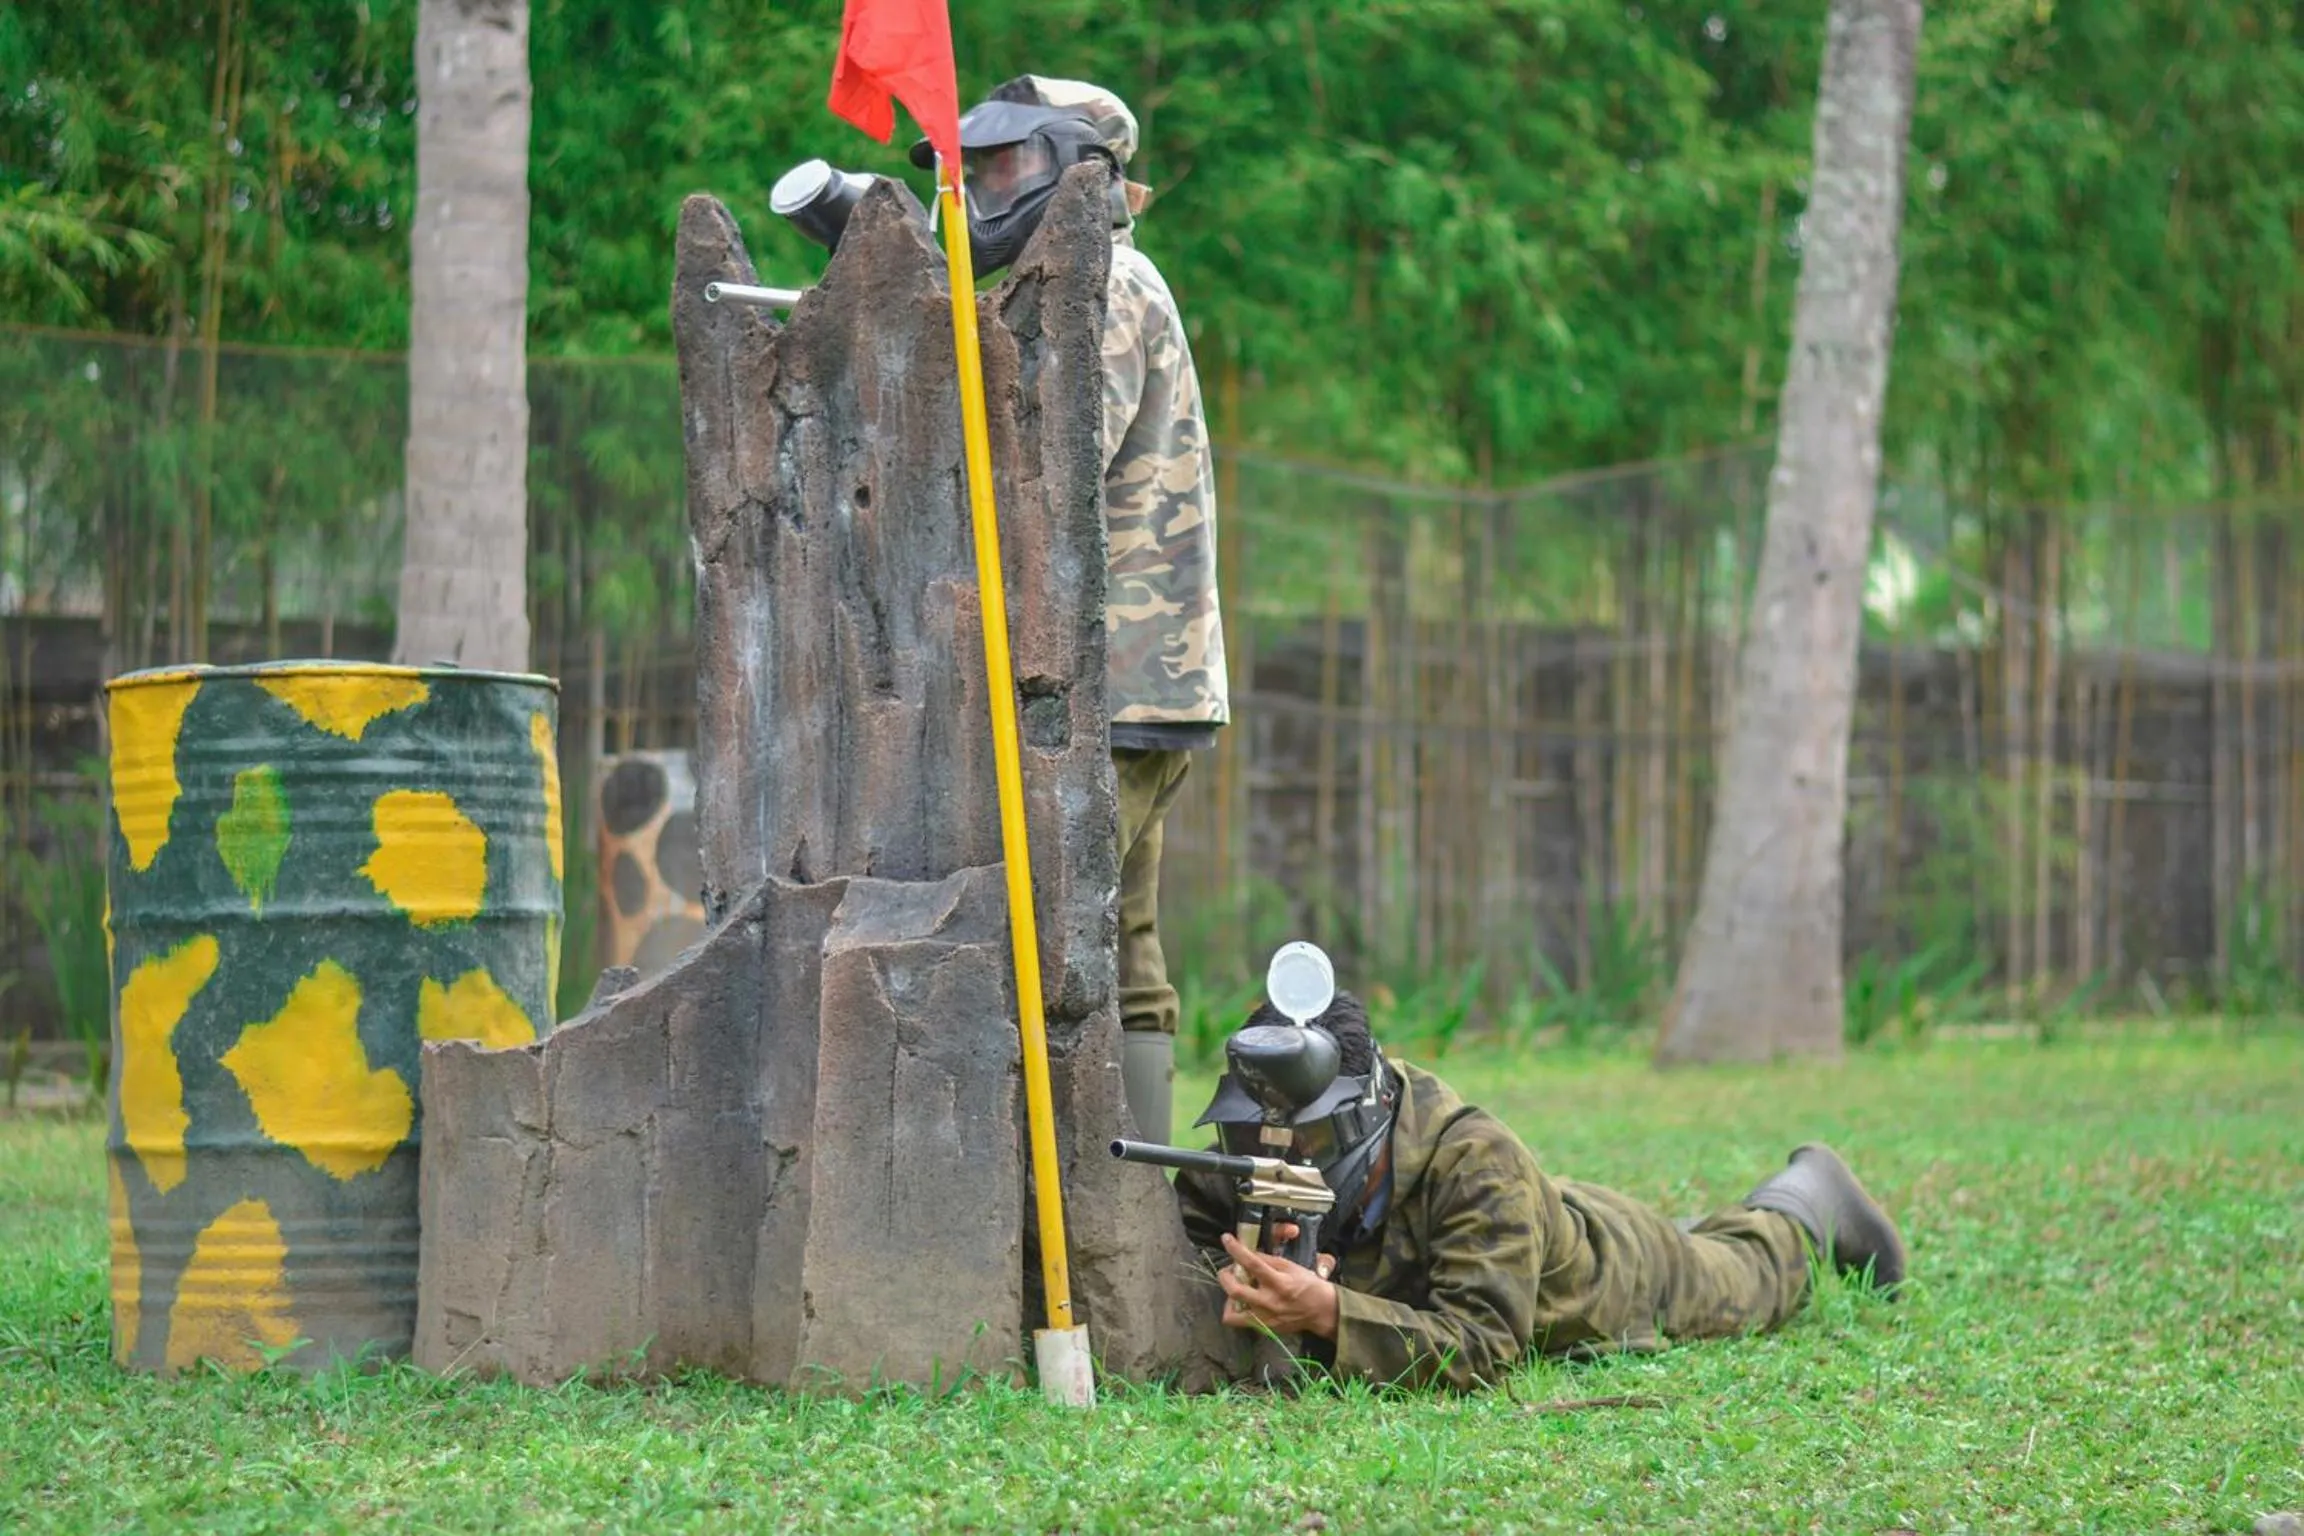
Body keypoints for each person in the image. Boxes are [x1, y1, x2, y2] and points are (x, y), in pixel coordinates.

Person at [914, 77, 1228, 1147]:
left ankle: (1103, 1196)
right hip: (1136, 677)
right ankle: (1134, 1188)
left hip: (1124, 672)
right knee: (1124, 935)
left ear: (1075, 167)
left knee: (1066, 933)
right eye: (981, 168)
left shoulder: (1112, 287)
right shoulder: (1077, 285)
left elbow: (1051, 463)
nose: (991, 187)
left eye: (1008, 167)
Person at [1172, 992, 1908, 1391]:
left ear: (1363, 1114)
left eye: (1306, 1144)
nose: (1275, 1158)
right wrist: (1231, 1276)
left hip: (1603, 1279)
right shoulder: (1256, 1143)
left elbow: (1487, 1345)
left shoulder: (1477, 1161)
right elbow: (1194, 1232)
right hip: (1516, 1229)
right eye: (1253, 1137)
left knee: (1742, 1274)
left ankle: (1809, 1194)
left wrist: (1331, 1312)